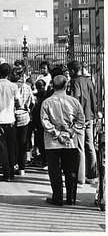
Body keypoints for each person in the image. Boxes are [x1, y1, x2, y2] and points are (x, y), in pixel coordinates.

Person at [41, 75, 85, 206]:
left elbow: (45, 121)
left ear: (52, 86)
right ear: (66, 86)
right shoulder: (74, 102)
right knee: (71, 171)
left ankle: (57, 197)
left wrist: (57, 133)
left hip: (52, 142)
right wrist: (71, 132)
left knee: (55, 172)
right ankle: (71, 198)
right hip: (70, 141)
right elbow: (80, 120)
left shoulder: (47, 102)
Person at [67, 60, 98, 187]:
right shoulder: (89, 81)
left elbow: (75, 101)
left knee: (79, 147)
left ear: (73, 71)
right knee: (90, 145)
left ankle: (80, 177)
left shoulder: (75, 82)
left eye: (69, 71)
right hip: (90, 116)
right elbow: (94, 99)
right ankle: (92, 174)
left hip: (80, 118)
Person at [0, 63, 19, 182]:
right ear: (9, 73)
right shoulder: (13, 86)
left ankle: (6, 172)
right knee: (11, 146)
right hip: (10, 119)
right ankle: (11, 171)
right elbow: (18, 102)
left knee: (2, 147)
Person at [11, 67, 35, 176]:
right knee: (23, 142)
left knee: (13, 142)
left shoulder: (12, 87)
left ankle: (14, 164)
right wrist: (28, 110)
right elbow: (33, 103)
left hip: (13, 116)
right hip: (25, 116)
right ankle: (22, 168)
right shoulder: (27, 88)